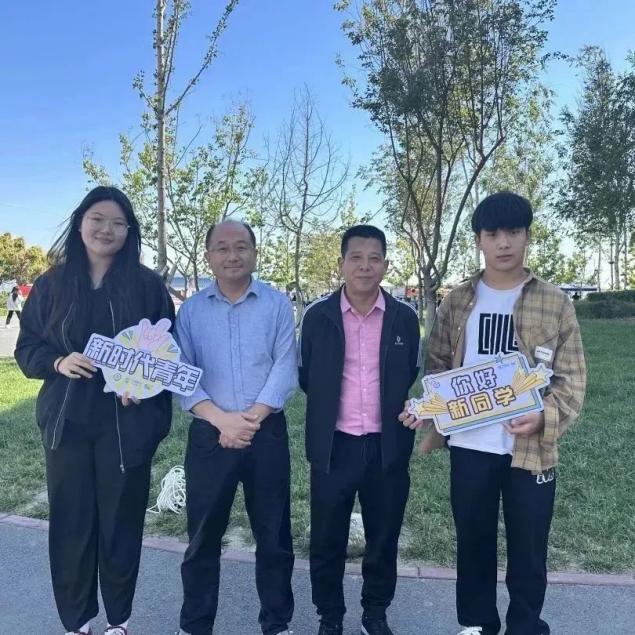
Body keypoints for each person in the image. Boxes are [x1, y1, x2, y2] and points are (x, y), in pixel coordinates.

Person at [402, 192, 586, 635]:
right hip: (470, 445)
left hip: (530, 449)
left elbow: (572, 379)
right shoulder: (457, 301)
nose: (504, 243)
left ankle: (526, 625)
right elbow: (438, 367)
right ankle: (477, 623)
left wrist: (543, 417)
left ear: (526, 237)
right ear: (479, 240)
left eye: (514, 232)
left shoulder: (554, 302)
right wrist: (430, 407)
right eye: (493, 234)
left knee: (529, 546)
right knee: (473, 540)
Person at [14, 186, 175, 635]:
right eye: (98, 219)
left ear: (129, 231)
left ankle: (118, 620)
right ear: (80, 223)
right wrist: (57, 362)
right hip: (67, 423)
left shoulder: (146, 286)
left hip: (127, 425)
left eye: (118, 223)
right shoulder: (51, 284)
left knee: (121, 523)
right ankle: (77, 621)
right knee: (71, 523)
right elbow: (27, 347)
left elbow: (167, 353)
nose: (107, 229)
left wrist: (142, 388)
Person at [175, 219, 298, 635]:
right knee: (202, 538)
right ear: (209, 256)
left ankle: (277, 623)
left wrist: (251, 419)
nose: (233, 255)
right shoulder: (191, 311)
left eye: (242, 246)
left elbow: (285, 366)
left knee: (274, 536)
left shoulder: (277, 305)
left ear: (255, 253)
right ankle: (195, 625)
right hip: (210, 435)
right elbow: (182, 374)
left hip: (266, 433)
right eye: (223, 248)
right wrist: (221, 420)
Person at [299, 225, 421, 635]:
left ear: (385, 265)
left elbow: (411, 374)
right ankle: (330, 616)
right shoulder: (317, 317)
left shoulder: (405, 318)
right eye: (356, 257)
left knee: (383, 538)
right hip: (334, 446)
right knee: (327, 539)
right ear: (342, 263)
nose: (365, 266)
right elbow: (307, 375)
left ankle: (375, 613)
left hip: (387, 448)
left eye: (374, 258)